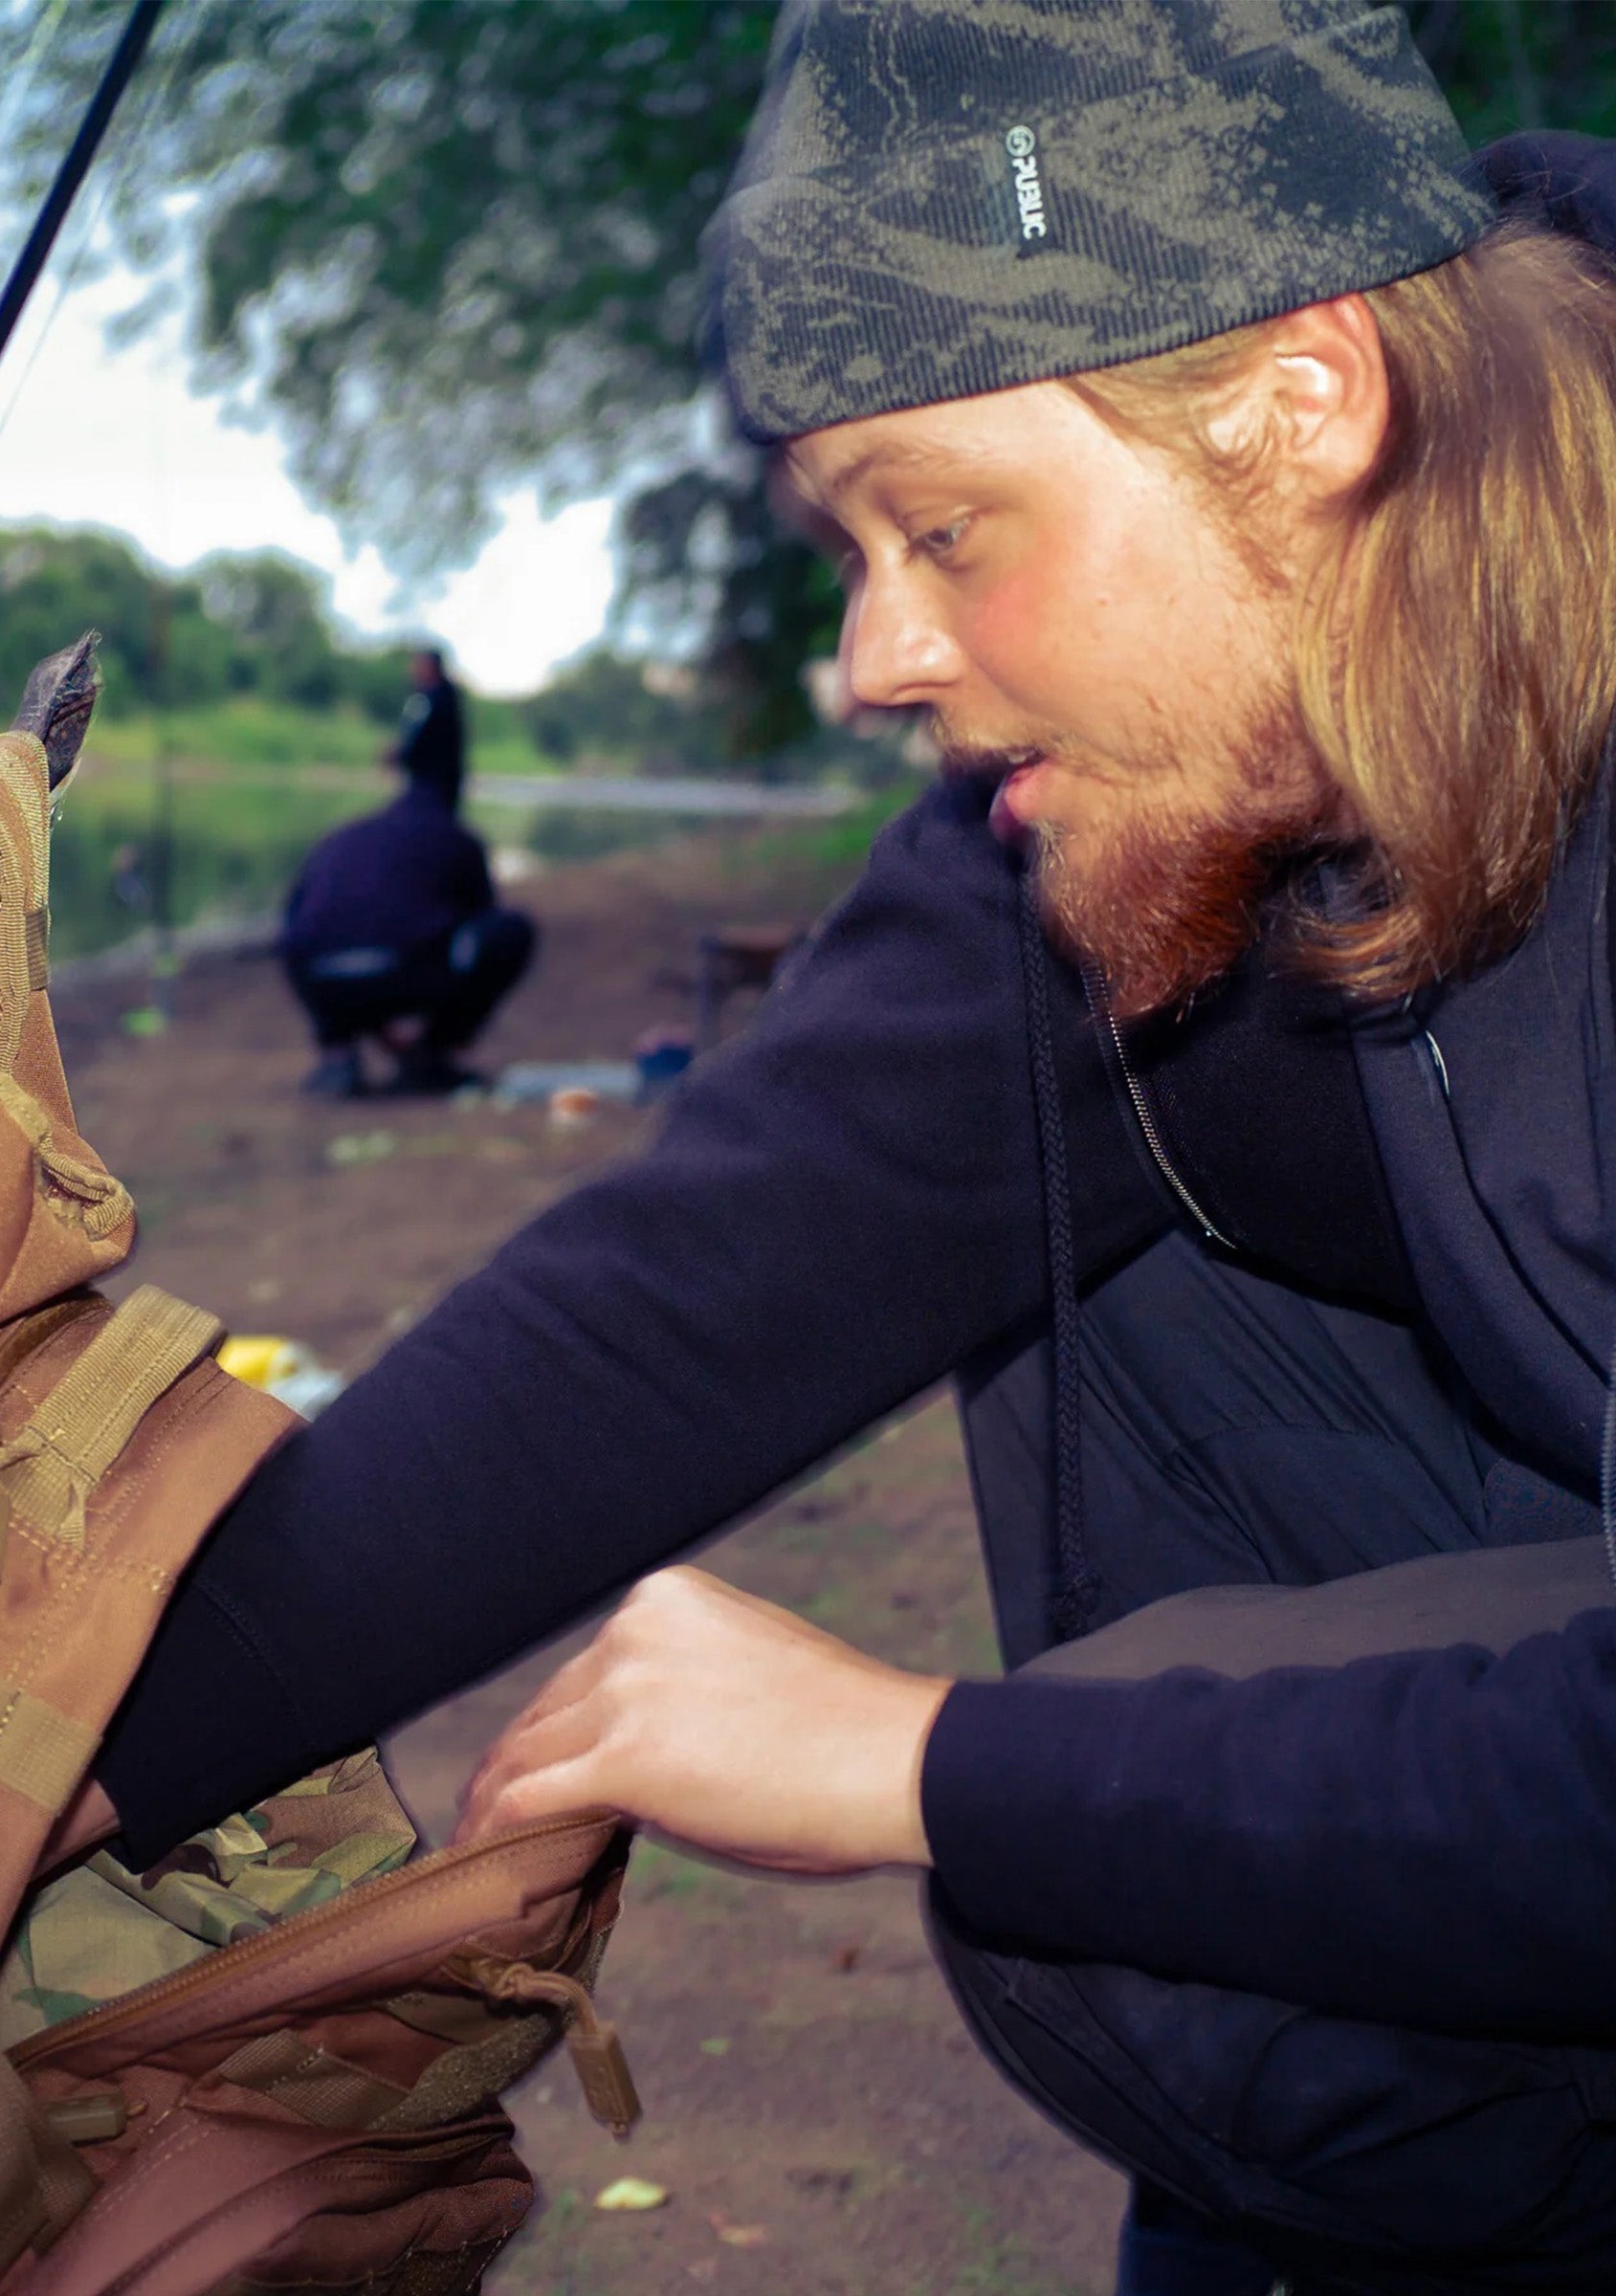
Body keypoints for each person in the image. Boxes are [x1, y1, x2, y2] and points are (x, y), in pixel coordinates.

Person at [80, 8, 1616, 2287]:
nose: (868, 656)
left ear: (1301, 407)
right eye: (840, 545)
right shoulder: (1089, 829)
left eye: (940, 526)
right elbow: (647, 1330)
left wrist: (918, 1759)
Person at [278, 646, 535, 1096]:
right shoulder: (458, 841)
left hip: (324, 985)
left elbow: (293, 922)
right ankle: (433, 1055)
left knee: (306, 929)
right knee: (508, 930)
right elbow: (481, 929)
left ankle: (338, 1052)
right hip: (407, 980)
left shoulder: (344, 838)